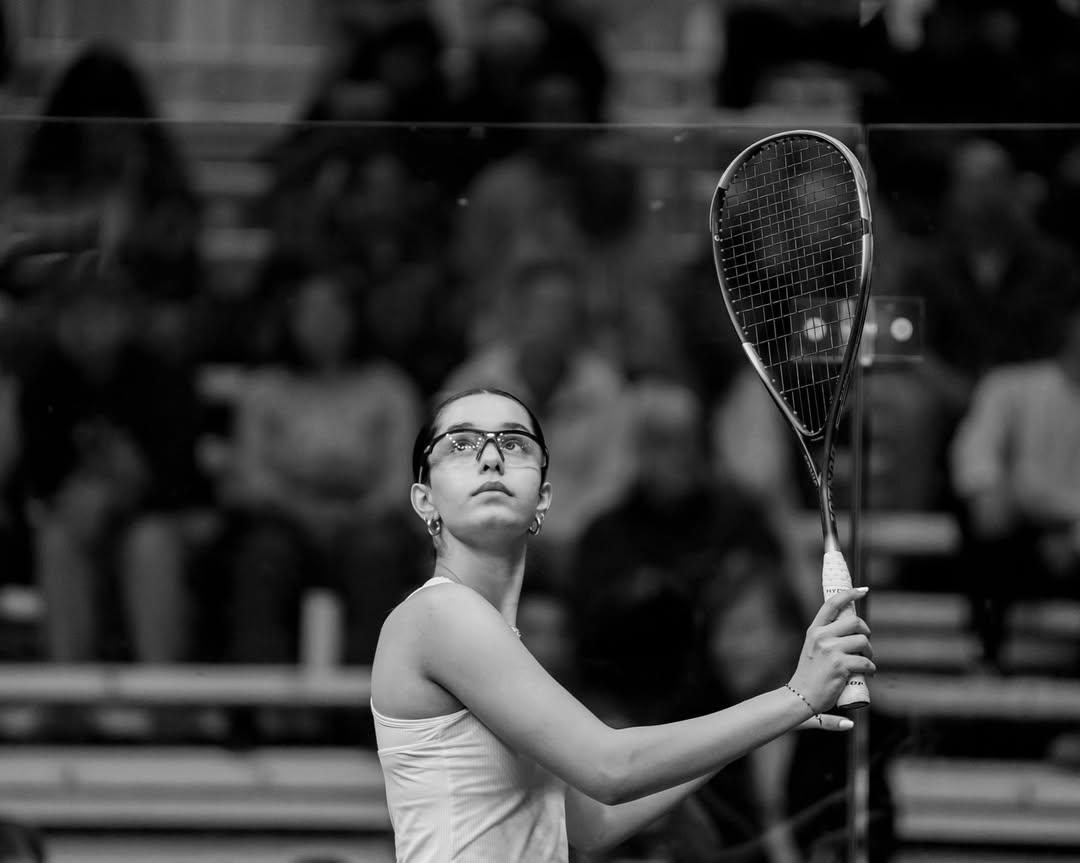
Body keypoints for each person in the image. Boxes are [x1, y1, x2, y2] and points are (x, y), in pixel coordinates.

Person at [370, 387, 874, 861]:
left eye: (515, 442)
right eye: (461, 444)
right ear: (424, 500)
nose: (491, 455)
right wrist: (794, 698)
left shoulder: (499, 642)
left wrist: (771, 717)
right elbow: (610, 768)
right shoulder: (439, 615)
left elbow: (593, 822)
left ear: (542, 499)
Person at [949, 301, 1080, 674]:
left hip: (1068, 539)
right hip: (1023, 543)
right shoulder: (1011, 387)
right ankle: (985, 657)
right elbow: (976, 464)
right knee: (987, 521)